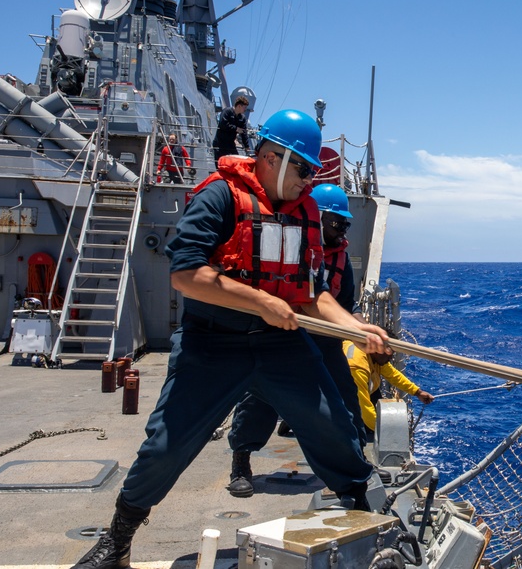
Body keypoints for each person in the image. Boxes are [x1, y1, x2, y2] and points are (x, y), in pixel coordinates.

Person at [70, 109, 391, 569]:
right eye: (302, 168)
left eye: (312, 171)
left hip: (281, 346)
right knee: (166, 446)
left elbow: (311, 294)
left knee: (334, 428)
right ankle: (116, 542)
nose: (308, 180)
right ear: (269, 157)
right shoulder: (219, 197)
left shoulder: (306, 214)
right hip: (212, 345)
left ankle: (370, 516)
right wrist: (261, 302)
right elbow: (186, 274)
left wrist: (355, 328)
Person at [225, 182, 367, 498]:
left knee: (345, 400)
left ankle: (357, 463)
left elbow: (346, 304)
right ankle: (241, 463)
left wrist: (360, 325)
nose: (342, 229)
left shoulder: (340, 258)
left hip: (326, 341)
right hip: (284, 338)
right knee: (258, 401)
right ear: (317, 219)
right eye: (337, 222)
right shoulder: (286, 248)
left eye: (346, 223)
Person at [345, 341, 434, 439]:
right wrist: (388, 433)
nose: (391, 358)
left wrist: (418, 392)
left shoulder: (373, 355)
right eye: (389, 354)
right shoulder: (357, 368)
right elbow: (363, 407)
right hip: (343, 403)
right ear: (378, 349)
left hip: (359, 393)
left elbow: (393, 375)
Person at [212, 95, 249, 166]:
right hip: (220, 142)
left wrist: (246, 146)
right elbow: (223, 124)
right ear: (239, 106)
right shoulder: (227, 112)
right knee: (220, 164)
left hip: (230, 144)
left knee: (236, 162)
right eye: (244, 107)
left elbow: (244, 132)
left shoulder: (242, 118)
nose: (245, 110)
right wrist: (236, 129)